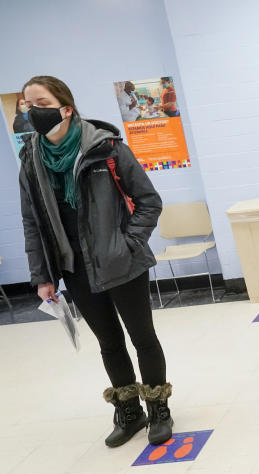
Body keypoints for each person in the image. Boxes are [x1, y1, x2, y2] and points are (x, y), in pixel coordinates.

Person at [18, 75, 174, 448]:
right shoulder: (31, 160)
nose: (31, 111)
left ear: (66, 109)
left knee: (143, 338)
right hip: (74, 268)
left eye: (39, 103)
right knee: (109, 343)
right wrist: (43, 275)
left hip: (121, 262)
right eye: (27, 104)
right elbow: (32, 223)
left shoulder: (106, 149)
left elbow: (149, 201)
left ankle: (158, 409)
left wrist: (129, 243)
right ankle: (130, 412)